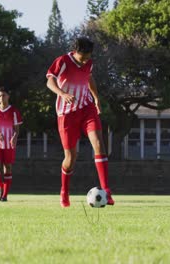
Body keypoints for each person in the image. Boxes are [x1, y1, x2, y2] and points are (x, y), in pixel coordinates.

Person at [46, 37, 115, 207]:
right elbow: (50, 81)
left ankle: (106, 191)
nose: (85, 60)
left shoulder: (88, 62)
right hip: (66, 114)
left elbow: (89, 78)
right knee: (71, 157)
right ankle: (64, 191)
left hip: (86, 108)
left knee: (99, 144)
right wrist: (62, 93)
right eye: (82, 57)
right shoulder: (62, 61)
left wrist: (96, 98)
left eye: (88, 57)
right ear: (75, 51)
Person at [0, 86, 23, 202]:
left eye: (4, 95)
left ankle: (5, 195)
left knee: (7, 168)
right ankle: (2, 187)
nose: (2, 98)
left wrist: (14, 137)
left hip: (8, 145)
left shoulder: (14, 111)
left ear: (8, 96)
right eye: (0, 96)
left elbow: (17, 129)